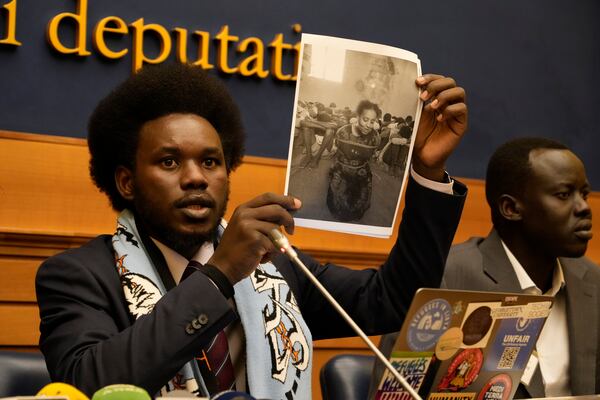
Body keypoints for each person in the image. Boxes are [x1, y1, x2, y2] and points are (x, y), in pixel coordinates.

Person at [35, 63, 468, 399]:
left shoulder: (274, 268)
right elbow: (88, 385)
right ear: (127, 181)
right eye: (169, 162)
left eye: (210, 162)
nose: (196, 178)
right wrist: (219, 273)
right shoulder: (78, 275)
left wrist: (428, 174)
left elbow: (394, 301)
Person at [370, 137, 600, 398]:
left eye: (584, 193)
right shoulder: (441, 281)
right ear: (510, 208)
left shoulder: (592, 283)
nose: (584, 208)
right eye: (564, 195)